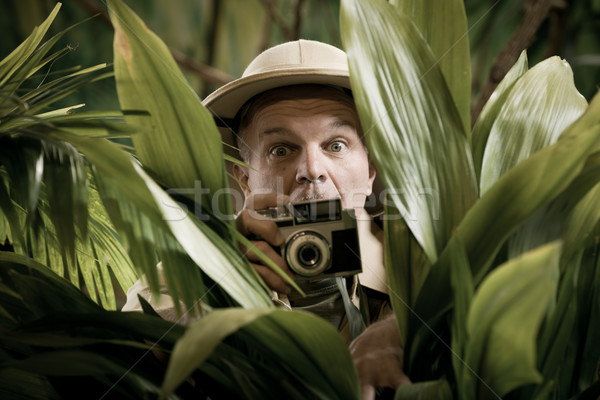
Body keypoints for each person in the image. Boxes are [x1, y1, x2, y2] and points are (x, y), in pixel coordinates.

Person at [123, 39, 408, 398]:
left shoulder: (417, 265)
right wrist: (216, 282)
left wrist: (402, 328)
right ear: (244, 178)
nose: (311, 170)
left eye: (336, 145)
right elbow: (114, 373)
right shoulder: (190, 271)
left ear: (370, 170)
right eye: (281, 149)